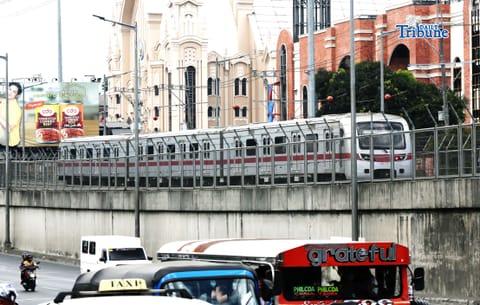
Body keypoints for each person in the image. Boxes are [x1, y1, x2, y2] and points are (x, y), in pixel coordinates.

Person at [0, 82, 23, 147]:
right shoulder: (5, 101)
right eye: (9, 89)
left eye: (14, 92)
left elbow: (8, 128)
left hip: (9, 140)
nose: (10, 92)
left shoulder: (16, 109)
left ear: (17, 95)